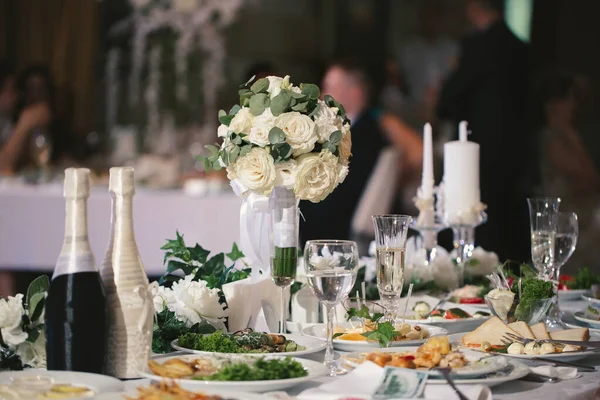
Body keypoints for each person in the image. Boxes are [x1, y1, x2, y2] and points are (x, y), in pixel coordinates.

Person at [436, 0, 532, 262]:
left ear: (472, 6)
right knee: (505, 228)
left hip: (479, 158)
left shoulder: (477, 46)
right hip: (515, 158)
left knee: (477, 224)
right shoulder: (521, 47)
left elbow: (448, 100)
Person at [300, 60, 423, 247]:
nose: (322, 95)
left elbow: (342, 196)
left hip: (335, 232)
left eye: (329, 87)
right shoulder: (362, 130)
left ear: (355, 92)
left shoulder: (362, 137)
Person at [536, 71, 600, 274]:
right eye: (569, 99)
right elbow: (586, 174)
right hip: (565, 221)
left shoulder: (570, 134)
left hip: (587, 219)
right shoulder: (552, 137)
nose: (573, 106)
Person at [0, 64, 52, 173]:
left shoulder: (7, 120)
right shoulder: (22, 118)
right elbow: (2, 168)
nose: (16, 96)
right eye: (11, 90)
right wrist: (25, 124)